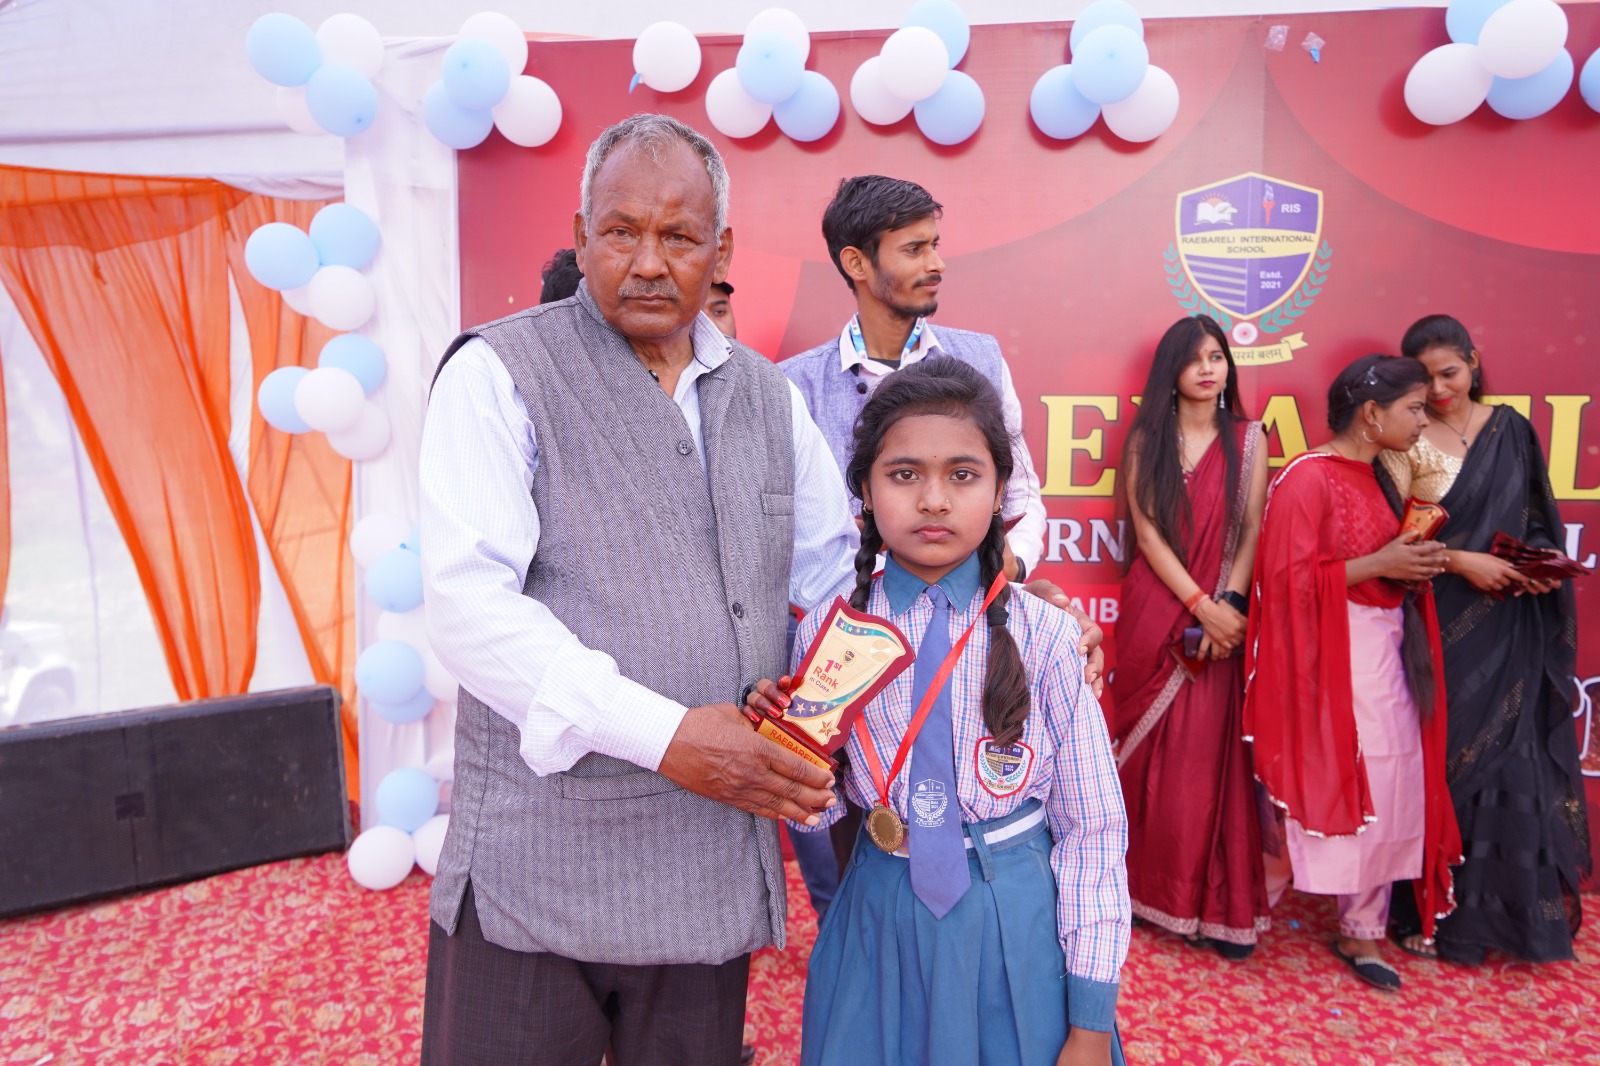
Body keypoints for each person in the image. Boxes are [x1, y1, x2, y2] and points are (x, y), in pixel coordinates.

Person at [417, 113, 862, 1065]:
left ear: (722, 252)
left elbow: (836, 576)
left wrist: (817, 707)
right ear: (582, 238)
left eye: (680, 236)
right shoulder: (498, 373)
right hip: (537, 874)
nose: (649, 263)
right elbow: (467, 607)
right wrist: (668, 737)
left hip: (707, 867)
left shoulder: (768, 398)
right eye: (621, 232)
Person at [746, 357, 1129, 1066]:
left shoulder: (1048, 636)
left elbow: (1094, 831)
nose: (933, 500)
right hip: (877, 912)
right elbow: (817, 816)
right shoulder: (832, 631)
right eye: (903, 475)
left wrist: (1090, 1021)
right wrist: (786, 751)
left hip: (1017, 918)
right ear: (864, 491)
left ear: (1001, 489)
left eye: (962, 475)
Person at [1244, 354, 1462, 992]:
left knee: (1390, 785)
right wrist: (1382, 564)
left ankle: (1362, 928)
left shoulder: (1379, 475)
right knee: (1324, 781)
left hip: (1384, 651)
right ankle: (1249, 907)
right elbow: (1284, 582)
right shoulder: (1307, 476)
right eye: (1413, 408)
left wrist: (1409, 564)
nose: (1423, 421)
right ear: (1372, 413)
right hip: (1328, 655)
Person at [1379, 314, 1590, 964]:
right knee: (1446, 766)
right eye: (1426, 379)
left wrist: (1539, 567)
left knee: (1513, 765)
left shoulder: (1512, 430)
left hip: (1512, 626)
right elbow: (1394, 542)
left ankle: (1513, 922)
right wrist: (1463, 562)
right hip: (1440, 621)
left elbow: (1538, 521)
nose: (1441, 389)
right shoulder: (1407, 440)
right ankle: (1434, 916)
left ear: (1473, 360)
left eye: (1451, 372)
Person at [779, 175, 1048, 582]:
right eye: (914, 250)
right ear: (856, 263)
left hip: (971, 607)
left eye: (934, 246)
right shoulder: (795, 384)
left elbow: (1020, 493)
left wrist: (1016, 564)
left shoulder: (981, 358)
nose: (936, 264)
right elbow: (795, 531)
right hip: (845, 610)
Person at [1111, 315, 1270, 960]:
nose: (1208, 369)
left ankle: (1206, 903)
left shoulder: (1250, 439)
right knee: (1149, 759)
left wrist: (1229, 605)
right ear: (1171, 371)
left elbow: (1253, 527)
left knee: (1204, 765)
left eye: (1217, 357)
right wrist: (1201, 605)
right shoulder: (1146, 440)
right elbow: (1149, 535)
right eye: (1194, 358)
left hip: (1222, 619)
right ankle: (1136, 891)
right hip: (1160, 609)